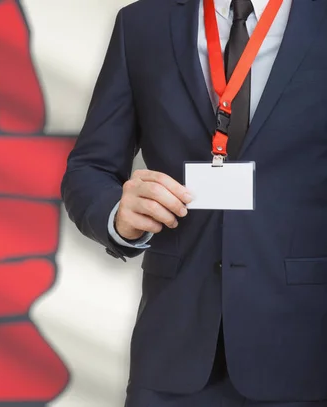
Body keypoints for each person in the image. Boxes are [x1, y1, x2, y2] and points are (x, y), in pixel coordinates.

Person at [60, 0, 327, 405]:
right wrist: (117, 214)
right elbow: (89, 168)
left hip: (307, 353)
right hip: (172, 355)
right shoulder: (142, 24)